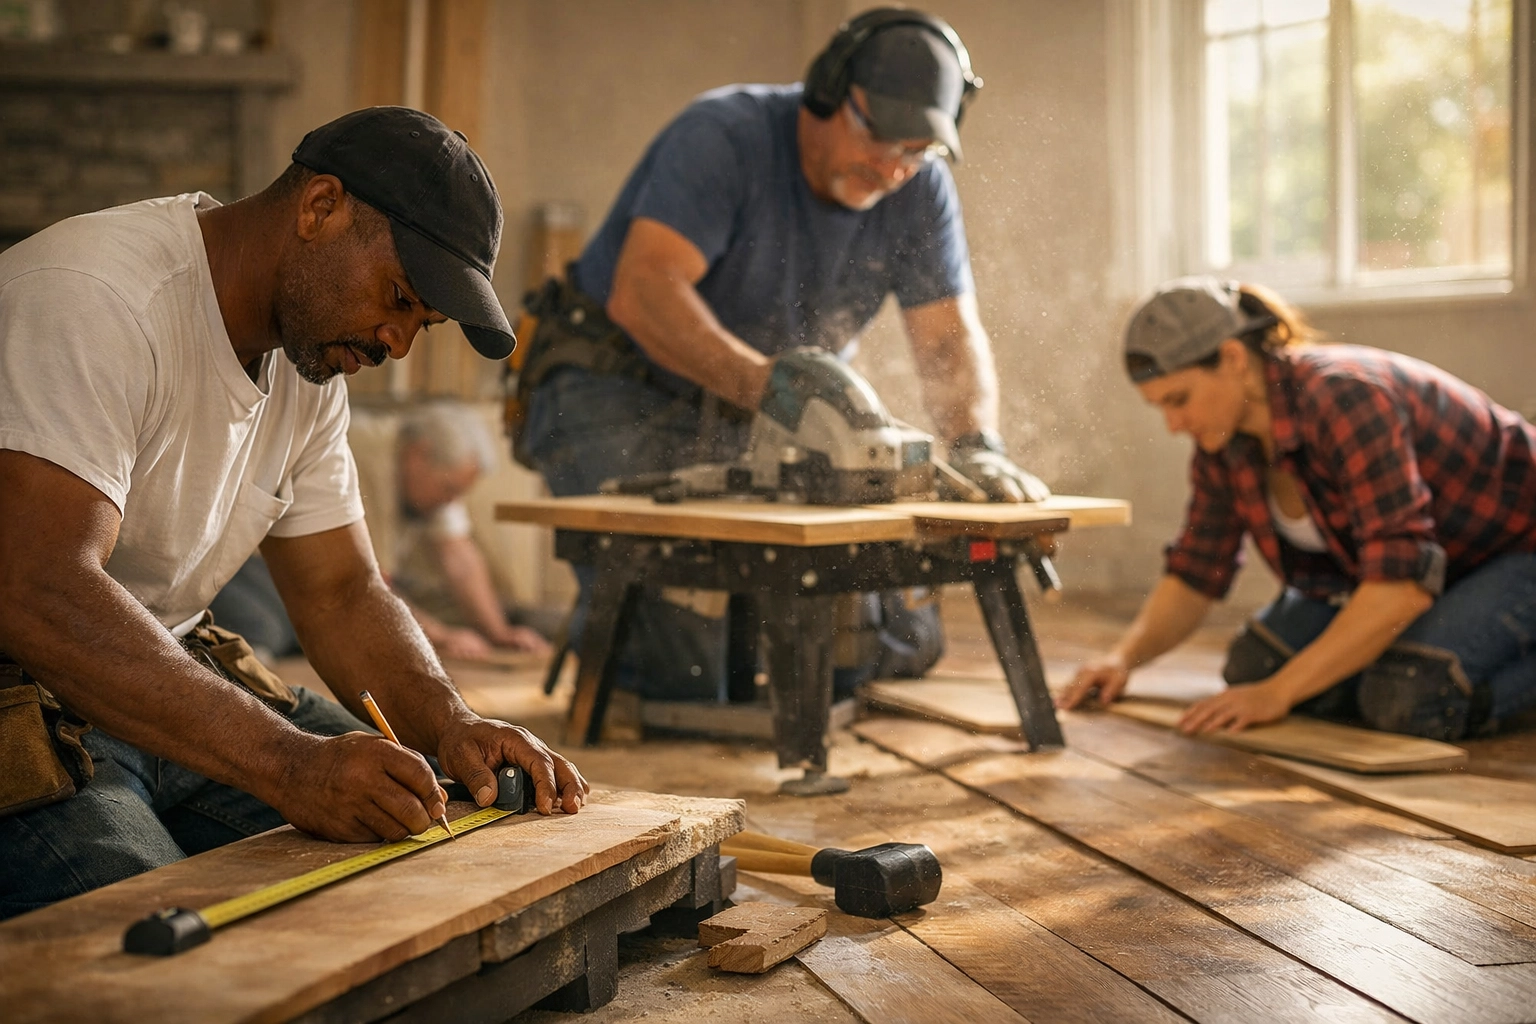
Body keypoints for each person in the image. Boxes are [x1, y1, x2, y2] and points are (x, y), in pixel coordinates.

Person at [0, 106, 587, 919]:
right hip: (21, 701)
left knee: (432, 856)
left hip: (165, 679)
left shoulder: (311, 370)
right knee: (167, 956)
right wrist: (287, 765)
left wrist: (449, 722)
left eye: (424, 321)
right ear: (320, 208)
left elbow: (342, 592)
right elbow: (39, 588)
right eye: (398, 297)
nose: (398, 342)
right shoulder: (95, 298)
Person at [512, 7, 1048, 701]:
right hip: (619, 382)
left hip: (767, 408)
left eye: (915, 149)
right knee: (696, 671)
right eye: (879, 136)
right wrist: (780, 395)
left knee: (886, 642)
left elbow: (947, 340)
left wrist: (978, 444)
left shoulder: (919, 189)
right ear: (829, 91)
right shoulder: (724, 137)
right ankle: (613, 628)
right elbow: (644, 293)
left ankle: (711, 626)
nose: (891, 166)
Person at [1057, 276, 1536, 741]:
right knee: (1253, 668)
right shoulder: (1223, 441)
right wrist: (1122, 659)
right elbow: (1196, 572)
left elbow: (1402, 587)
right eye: (1159, 406)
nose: (1173, 424)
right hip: (1436, 574)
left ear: (1232, 358)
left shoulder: (1345, 396)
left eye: (1179, 400)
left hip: (1514, 552)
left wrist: (1280, 694)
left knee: (1407, 697)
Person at [212, 404, 554, 663]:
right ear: (418, 455)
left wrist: (498, 632)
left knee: (470, 608)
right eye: (448, 489)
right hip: (262, 568)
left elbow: (458, 556)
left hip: (355, 578)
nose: (450, 502)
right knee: (270, 632)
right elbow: (367, 580)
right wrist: (442, 637)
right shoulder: (363, 458)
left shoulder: (434, 471)